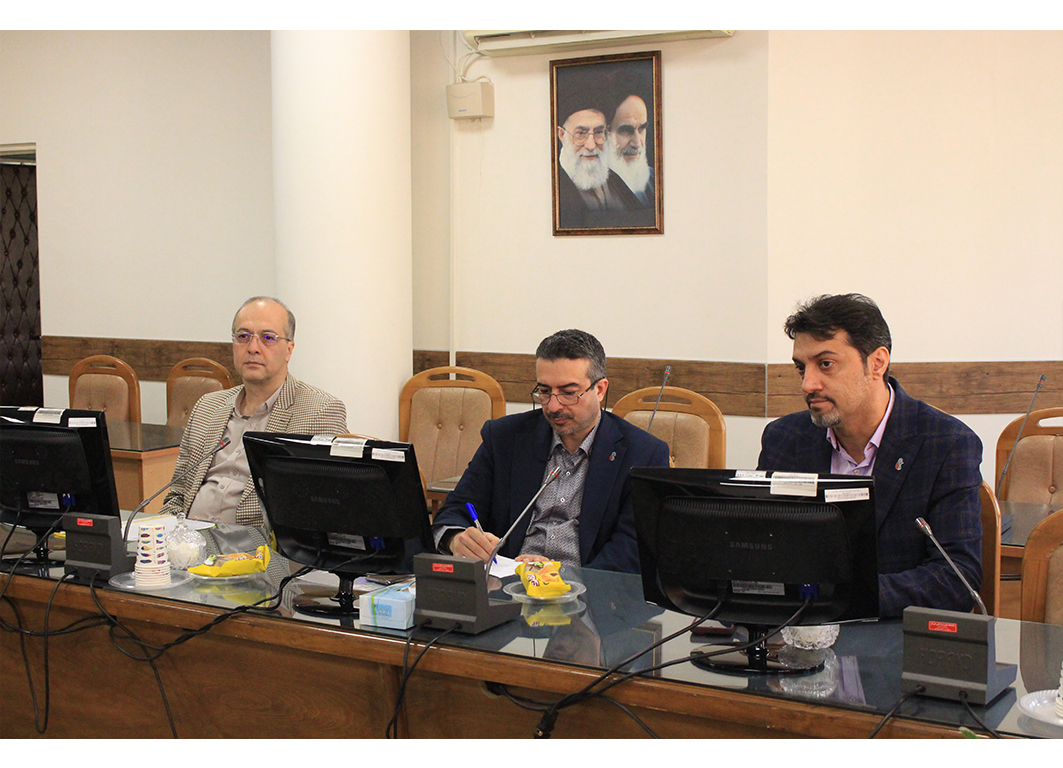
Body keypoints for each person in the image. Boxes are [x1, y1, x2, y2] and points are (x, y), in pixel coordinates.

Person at [757, 293, 983, 618]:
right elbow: (764, 550)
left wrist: (843, 598)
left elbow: (957, 579)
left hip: (894, 637)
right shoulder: (784, 439)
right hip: (799, 633)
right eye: (801, 368)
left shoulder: (946, 443)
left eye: (825, 364)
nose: (808, 384)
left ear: (877, 363)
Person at [432, 329, 669, 574]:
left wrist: (563, 577)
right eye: (545, 391)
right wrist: (456, 539)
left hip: (587, 590)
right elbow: (455, 511)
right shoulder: (504, 438)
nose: (554, 406)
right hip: (506, 586)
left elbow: (632, 551)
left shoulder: (643, 454)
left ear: (600, 390)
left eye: (568, 393)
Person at [160, 296, 347, 528]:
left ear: (289, 350)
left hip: (258, 545)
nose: (252, 348)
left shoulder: (318, 411)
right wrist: (168, 535)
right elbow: (178, 494)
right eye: (243, 336)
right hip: (189, 539)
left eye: (268, 338)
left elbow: (320, 511)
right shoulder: (207, 407)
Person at [555, 95, 640, 229]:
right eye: (581, 133)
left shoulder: (614, 181)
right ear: (562, 135)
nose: (591, 145)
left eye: (599, 132)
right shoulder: (552, 187)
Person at [606, 94, 654, 207]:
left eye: (641, 129)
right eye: (626, 131)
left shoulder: (654, 179)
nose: (637, 143)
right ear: (605, 134)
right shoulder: (594, 192)